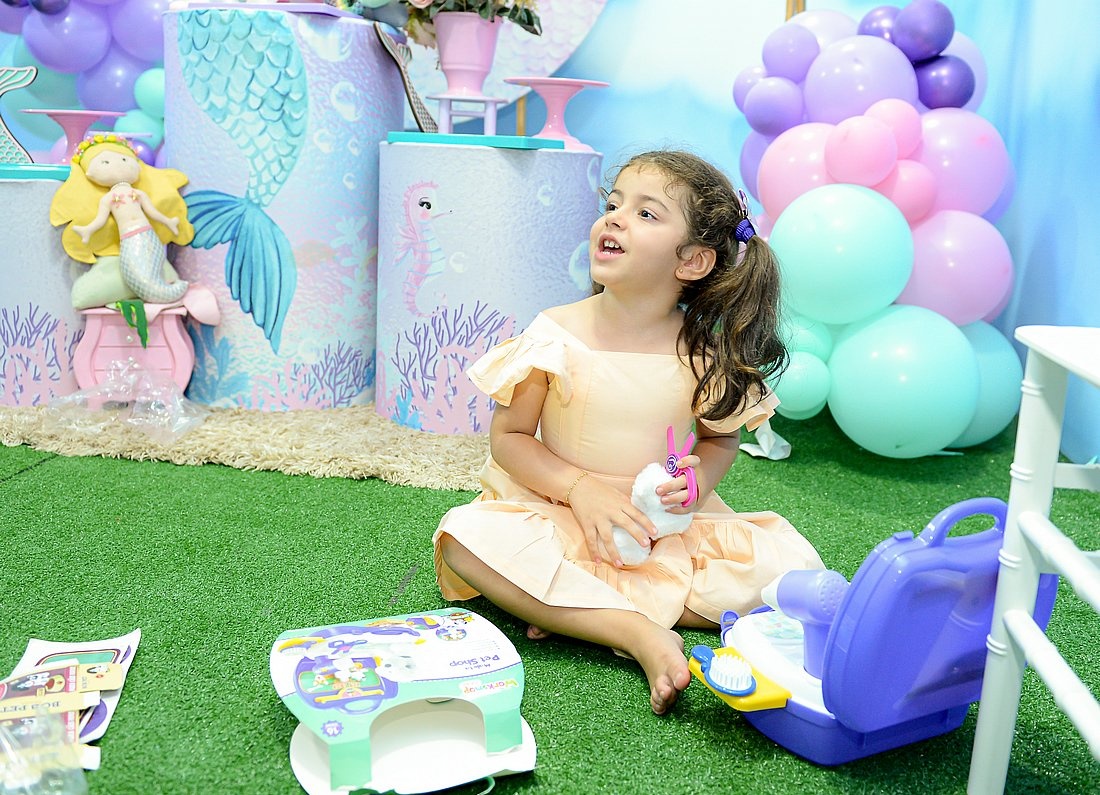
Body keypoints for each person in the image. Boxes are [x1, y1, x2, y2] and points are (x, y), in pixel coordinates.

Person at [434, 150, 824, 715]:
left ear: (692, 261)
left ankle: (574, 610)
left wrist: (695, 487)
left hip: (659, 528)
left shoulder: (702, 352)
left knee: (792, 569)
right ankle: (638, 632)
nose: (614, 218)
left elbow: (718, 440)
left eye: (645, 213)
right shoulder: (555, 333)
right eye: (613, 204)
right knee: (465, 538)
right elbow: (510, 439)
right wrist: (580, 489)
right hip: (559, 510)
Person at [50, 134, 195, 304]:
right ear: (89, 173)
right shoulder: (108, 199)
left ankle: (162, 287)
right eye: (105, 162)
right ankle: (156, 290)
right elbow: (101, 219)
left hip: (148, 233)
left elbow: (151, 211)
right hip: (129, 237)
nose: (118, 166)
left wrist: (168, 221)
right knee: (134, 267)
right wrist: (88, 229)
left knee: (153, 260)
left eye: (125, 160)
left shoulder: (138, 193)